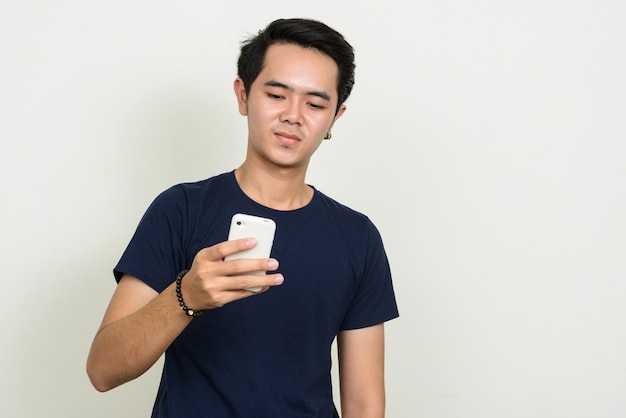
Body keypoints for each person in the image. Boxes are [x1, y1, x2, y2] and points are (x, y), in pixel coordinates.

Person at [86, 17, 399, 418]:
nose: (293, 115)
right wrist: (186, 297)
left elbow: (364, 404)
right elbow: (103, 370)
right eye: (276, 95)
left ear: (334, 119)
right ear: (242, 95)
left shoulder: (358, 237)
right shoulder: (181, 209)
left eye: (316, 104)